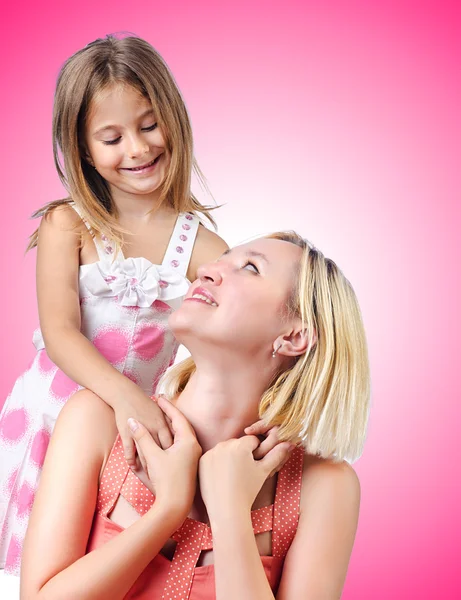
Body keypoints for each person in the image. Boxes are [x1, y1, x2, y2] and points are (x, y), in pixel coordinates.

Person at [21, 232, 370, 599]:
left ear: (294, 337)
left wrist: (230, 510)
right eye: (222, 259)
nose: (207, 270)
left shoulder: (323, 486)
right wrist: (167, 509)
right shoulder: (98, 423)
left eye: (250, 268)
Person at [0, 34, 228, 575]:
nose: (138, 149)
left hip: (127, 438)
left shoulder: (202, 246)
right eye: (111, 136)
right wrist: (125, 396)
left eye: (149, 125)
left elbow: (236, 332)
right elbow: (61, 333)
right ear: (82, 149)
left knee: (93, 559)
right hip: (51, 419)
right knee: (27, 551)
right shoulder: (68, 224)